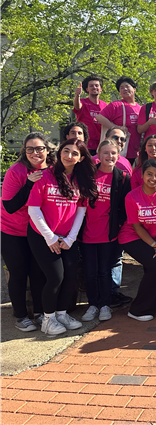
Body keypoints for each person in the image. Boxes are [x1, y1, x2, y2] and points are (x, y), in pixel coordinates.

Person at [27, 139, 98, 336]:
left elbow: (81, 211)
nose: (69, 156)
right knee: (55, 277)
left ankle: (61, 313)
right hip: (41, 234)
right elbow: (33, 209)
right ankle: (48, 320)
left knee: (70, 276)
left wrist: (70, 239)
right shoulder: (45, 176)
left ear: (81, 158)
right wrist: (49, 237)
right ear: (59, 152)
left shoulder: (81, 179)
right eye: (66, 151)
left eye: (74, 153)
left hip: (66, 237)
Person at [0, 133, 55, 331]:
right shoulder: (16, 171)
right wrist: (29, 184)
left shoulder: (52, 170)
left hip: (37, 230)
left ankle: (40, 313)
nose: (35, 153)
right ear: (24, 151)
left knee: (39, 272)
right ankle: (21, 316)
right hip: (12, 231)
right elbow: (10, 206)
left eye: (39, 148)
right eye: (30, 149)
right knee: (18, 273)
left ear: (47, 150)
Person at [118, 159, 156, 321]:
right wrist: (154, 246)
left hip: (153, 238)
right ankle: (138, 310)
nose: (153, 178)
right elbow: (136, 226)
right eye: (149, 174)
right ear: (142, 175)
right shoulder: (132, 196)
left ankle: (153, 304)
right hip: (131, 237)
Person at [80, 140, 131, 322]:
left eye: (113, 153)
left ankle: (105, 305)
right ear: (98, 156)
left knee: (104, 271)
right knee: (90, 272)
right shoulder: (88, 175)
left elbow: (126, 206)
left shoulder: (123, 178)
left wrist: (119, 225)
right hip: (87, 233)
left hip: (108, 234)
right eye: (105, 153)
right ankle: (93, 305)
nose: (109, 157)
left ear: (118, 156)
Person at [97, 76, 142, 165]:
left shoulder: (140, 108)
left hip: (134, 151)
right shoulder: (116, 105)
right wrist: (116, 128)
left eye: (127, 86)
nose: (124, 89)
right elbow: (99, 117)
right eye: (121, 88)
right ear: (120, 92)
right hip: (118, 150)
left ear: (134, 89)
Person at [73, 75, 108, 155]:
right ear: (87, 89)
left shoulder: (105, 106)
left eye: (96, 85)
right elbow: (77, 106)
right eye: (91, 86)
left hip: (101, 144)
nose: (94, 87)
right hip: (86, 145)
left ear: (101, 89)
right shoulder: (83, 102)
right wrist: (77, 95)